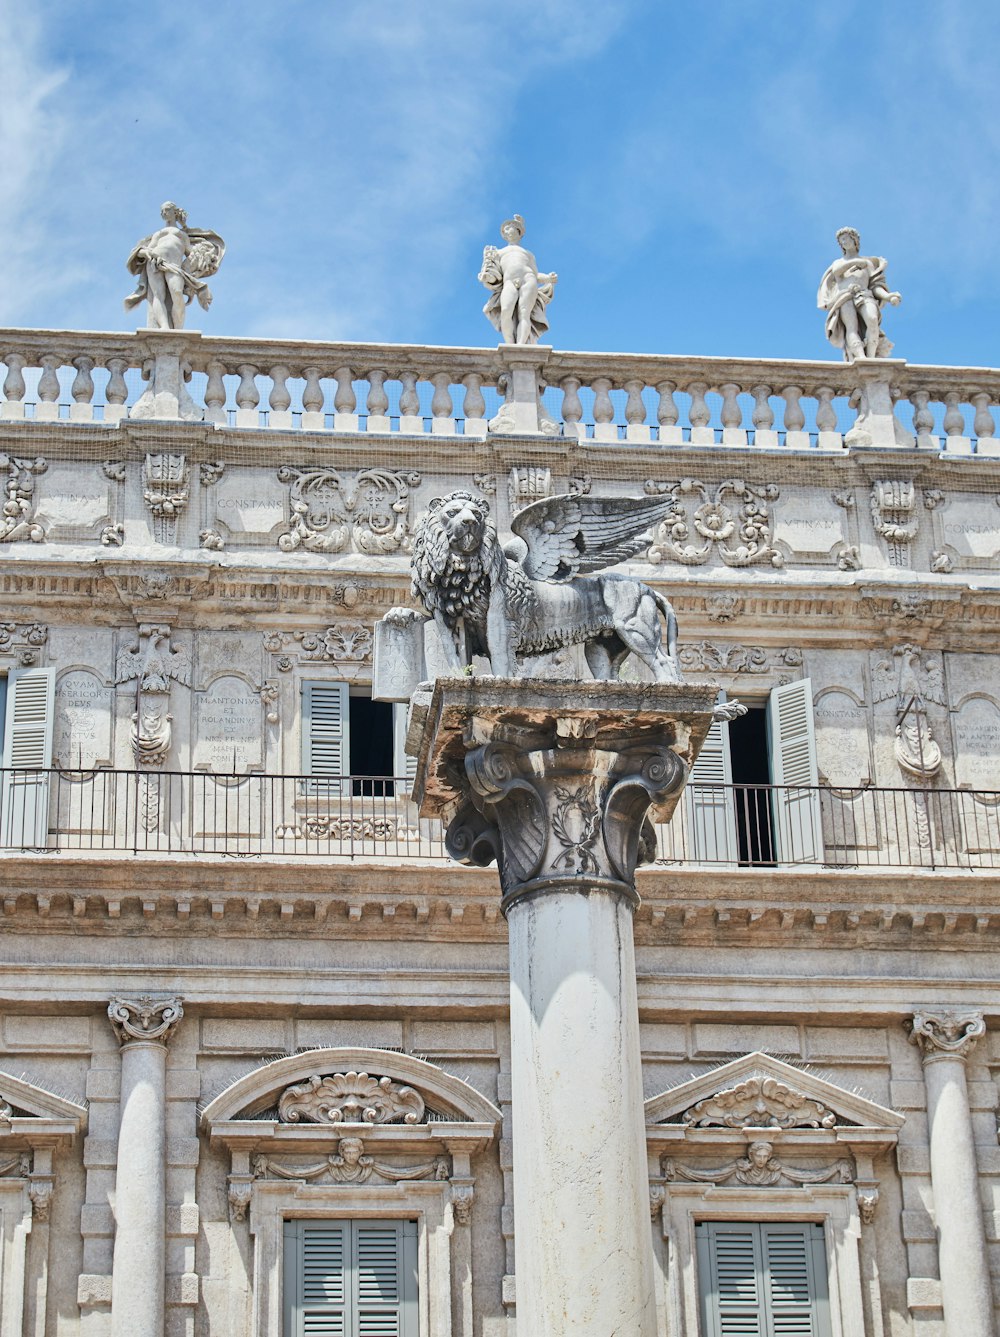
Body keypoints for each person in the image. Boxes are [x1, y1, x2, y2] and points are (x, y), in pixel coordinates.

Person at [124, 202, 225, 330]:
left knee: (177, 292)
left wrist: (205, 255)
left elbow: (191, 253)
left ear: (174, 212)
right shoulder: (159, 233)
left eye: (166, 210)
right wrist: (149, 254)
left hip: (173, 266)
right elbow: (143, 250)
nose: (163, 213)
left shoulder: (181, 235)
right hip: (155, 263)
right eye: (162, 211)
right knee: (157, 295)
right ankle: (164, 327)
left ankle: (177, 328)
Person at [817, 227, 901, 362]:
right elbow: (837, 271)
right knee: (851, 327)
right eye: (841, 240)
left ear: (854, 240)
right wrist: (855, 262)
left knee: (873, 320)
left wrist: (888, 296)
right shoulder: (839, 262)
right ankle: (860, 357)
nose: (843, 242)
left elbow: (875, 286)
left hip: (865, 294)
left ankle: (871, 357)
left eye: (846, 238)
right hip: (846, 296)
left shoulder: (867, 263)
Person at [479, 215, 557, 344]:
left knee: (524, 313)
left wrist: (548, 278)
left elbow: (536, 274)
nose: (507, 231)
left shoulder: (528, 254)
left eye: (510, 228)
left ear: (519, 231)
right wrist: (487, 273)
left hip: (528, 279)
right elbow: (494, 276)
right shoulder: (499, 252)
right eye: (506, 229)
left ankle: (521, 345)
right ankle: (510, 345)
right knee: (505, 312)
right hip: (509, 281)